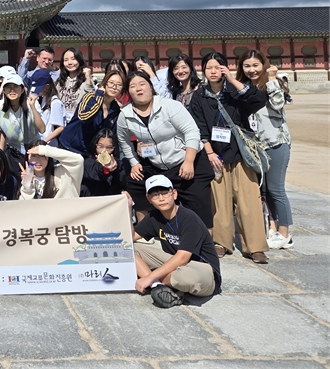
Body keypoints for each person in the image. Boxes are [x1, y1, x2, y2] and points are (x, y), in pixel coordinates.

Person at [189, 52, 269, 263]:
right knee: (219, 202)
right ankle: (221, 242)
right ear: (203, 71)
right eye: (209, 68)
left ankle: (255, 246)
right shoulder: (199, 96)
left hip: (240, 153)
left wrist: (233, 80)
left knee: (249, 201)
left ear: (225, 68)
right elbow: (199, 127)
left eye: (218, 67)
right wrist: (209, 152)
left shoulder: (236, 90)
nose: (213, 71)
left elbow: (259, 101)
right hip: (216, 155)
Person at [117, 71, 213, 229]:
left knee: (199, 209)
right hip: (158, 165)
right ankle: (145, 232)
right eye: (133, 86)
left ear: (150, 86)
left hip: (189, 160)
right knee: (136, 183)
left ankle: (204, 241)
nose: (138, 89)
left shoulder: (170, 106)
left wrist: (189, 161)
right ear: (128, 91)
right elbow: (123, 140)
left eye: (142, 84)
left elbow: (192, 132)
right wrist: (134, 163)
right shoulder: (125, 115)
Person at [132, 175, 222, 309]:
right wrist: (128, 208)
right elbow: (130, 237)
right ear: (149, 199)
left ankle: (152, 280)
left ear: (174, 194)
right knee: (129, 249)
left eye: (164, 193)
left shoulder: (189, 218)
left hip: (203, 270)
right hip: (176, 265)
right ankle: (158, 287)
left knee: (184, 278)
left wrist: (149, 277)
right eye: (155, 195)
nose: (161, 198)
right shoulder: (154, 216)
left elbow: (183, 258)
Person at [237, 50, 294, 249]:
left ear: (264, 65)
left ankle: (285, 233)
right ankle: (272, 227)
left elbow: (277, 105)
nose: (252, 70)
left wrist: (270, 79)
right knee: (265, 190)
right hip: (257, 146)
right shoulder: (244, 87)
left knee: (277, 189)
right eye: (247, 66)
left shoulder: (274, 82)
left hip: (276, 142)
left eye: (256, 65)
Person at [59, 69, 125, 157]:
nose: (114, 87)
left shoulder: (116, 109)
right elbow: (84, 118)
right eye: (111, 83)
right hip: (70, 147)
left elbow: (111, 135)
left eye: (119, 85)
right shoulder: (90, 97)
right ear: (105, 83)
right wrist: (99, 98)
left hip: (89, 153)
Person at [0, 74, 44, 178]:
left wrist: (33, 107)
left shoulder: (32, 103)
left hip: (33, 153)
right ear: (4, 91)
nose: (12, 90)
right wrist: (1, 155)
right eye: (8, 88)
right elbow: (2, 131)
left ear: (22, 90)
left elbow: (42, 129)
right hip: (13, 153)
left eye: (16, 87)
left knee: (31, 181)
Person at [19, 140, 84, 199]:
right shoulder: (25, 177)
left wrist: (45, 150)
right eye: (34, 156)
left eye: (42, 155)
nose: (38, 160)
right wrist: (27, 185)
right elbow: (24, 206)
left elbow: (79, 160)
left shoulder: (64, 173)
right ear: (27, 158)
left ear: (48, 157)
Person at [80, 129, 127, 197]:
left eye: (109, 147)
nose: (104, 151)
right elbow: (96, 171)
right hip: (91, 199)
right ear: (95, 145)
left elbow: (122, 183)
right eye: (100, 146)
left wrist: (115, 170)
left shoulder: (117, 164)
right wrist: (105, 169)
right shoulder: (88, 162)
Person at [54, 47, 94, 127]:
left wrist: (88, 77)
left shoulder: (86, 80)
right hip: (60, 124)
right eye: (66, 60)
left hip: (78, 124)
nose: (69, 63)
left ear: (79, 60)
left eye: (73, 59)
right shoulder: (59, 81)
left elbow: (91, 98)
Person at [31, 69, 65, 146]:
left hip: (50, 145)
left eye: (39, 89)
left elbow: (60, 127)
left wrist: (44, 141)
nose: (37, 91)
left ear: (47, 86)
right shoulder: (43, 99)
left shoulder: (55, 103)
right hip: (40, 141)